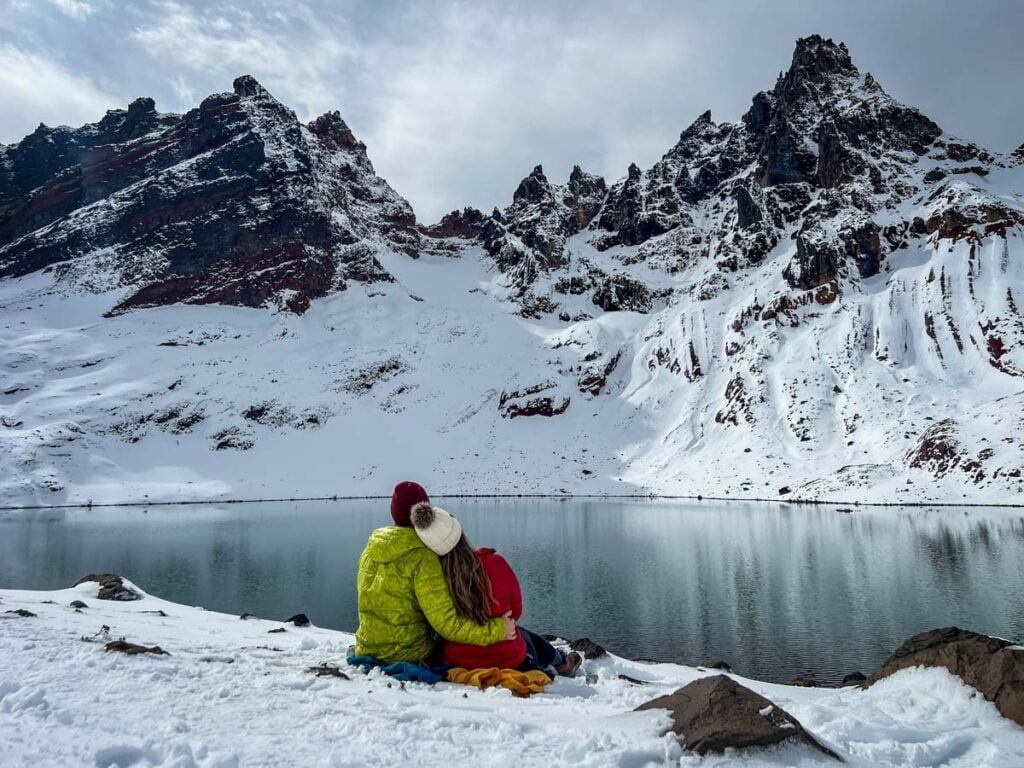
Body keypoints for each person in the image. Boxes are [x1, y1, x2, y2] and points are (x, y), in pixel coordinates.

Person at [411, 501, 582, 678]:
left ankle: (560, 661)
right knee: (523, 635)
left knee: (519, 634)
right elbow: (516, 611)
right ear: (458, 531)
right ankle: (562, 662)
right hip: (508, 660)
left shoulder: (433, 578)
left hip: (457, 661)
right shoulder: (495, 563)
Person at [354, 481, 515, 664]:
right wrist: (497, 630)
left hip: (367, 648)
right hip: (409, 654)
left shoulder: (371, 549)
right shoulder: (422, 556)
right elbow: (446, 624)